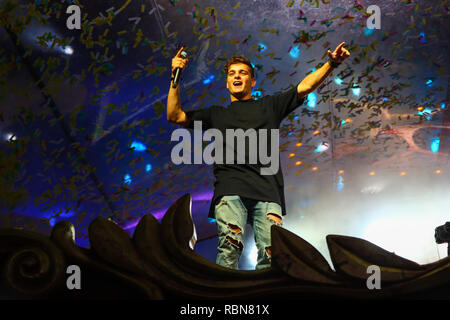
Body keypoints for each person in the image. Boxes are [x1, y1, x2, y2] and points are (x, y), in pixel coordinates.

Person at [167, 42, 350, 269]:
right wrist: (176, 75)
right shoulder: (216, 114)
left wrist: (332, 63)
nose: (237, 77)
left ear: (252, 82)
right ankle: (225, 299)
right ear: (226, 83)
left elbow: (303, 88)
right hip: (230, 189)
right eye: (232, 74)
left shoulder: (269, 106)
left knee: (272, 254)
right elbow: (174, 115)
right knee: (229, 246)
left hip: (267, 191)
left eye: (242, 73)